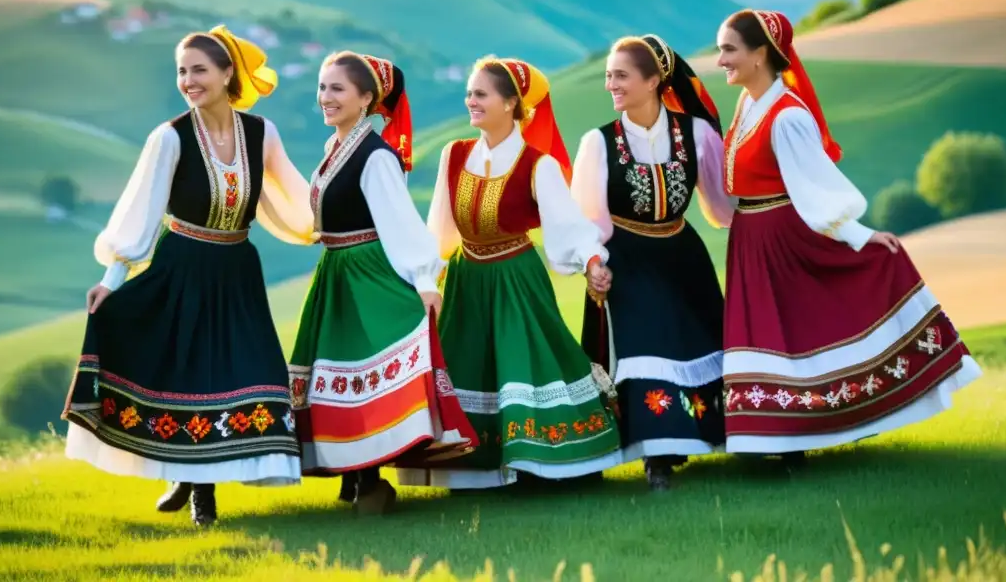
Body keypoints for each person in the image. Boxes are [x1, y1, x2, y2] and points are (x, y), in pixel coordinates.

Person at [63, 26, 314, 526]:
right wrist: (111, 280)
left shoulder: (262, 134)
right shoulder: (170, 137)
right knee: (191, 376)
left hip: (238, 270)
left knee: (252, 372)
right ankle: (201, 493)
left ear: (228, 75)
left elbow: (296, 200)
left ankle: (190, 475)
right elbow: (142, 211)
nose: (188, 80)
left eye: (199, 69)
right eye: (182, 70)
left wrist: (342, 220)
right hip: (182, 269)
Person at [716, 8, 982, 461]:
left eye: (729, 49)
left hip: (783, 238)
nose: (721, 59)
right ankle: (778, 435)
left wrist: (858, 235)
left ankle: (795, 438)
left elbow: (816, 188)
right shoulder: (748, 104)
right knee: (771, 332)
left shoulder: (786, 117)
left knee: (790, 333)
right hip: (752, 237)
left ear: (761, 54)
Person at [395, 56, 622, 491]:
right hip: (466, 280)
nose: (471, 101)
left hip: (516, 280)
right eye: (470, 92)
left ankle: (546, 463)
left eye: (481, 94)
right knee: (470, 367)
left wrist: (592, 262)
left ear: (510, 103)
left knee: (526, 364)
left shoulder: (538, 165)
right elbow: (438, 228)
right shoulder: (454, 154)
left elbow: (568, 227)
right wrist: (427, 280)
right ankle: (477, 465)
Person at [286, 51, 478, 515]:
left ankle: (369, 480)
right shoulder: (336, 150)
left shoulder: (375, 156)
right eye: (322, 87)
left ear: (366, 99)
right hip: (337, 274)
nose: (325, 97)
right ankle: (355, 476)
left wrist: (423, 279)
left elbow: (399, 222)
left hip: (366, 275)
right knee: (335, 376)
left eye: (337, 89)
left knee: (363, 374)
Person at [571, 34, 733, 490]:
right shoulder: (598, 143)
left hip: (684, 258)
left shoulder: (697, 133)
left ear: (653, 80)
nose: (611, 85)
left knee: (698, 347)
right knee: (647, 350)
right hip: (629, 259)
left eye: (620, 75)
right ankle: (656, 459)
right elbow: (587, 219)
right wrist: (592, 262)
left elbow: (722, 207)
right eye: (608, 76)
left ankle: (696, 441)